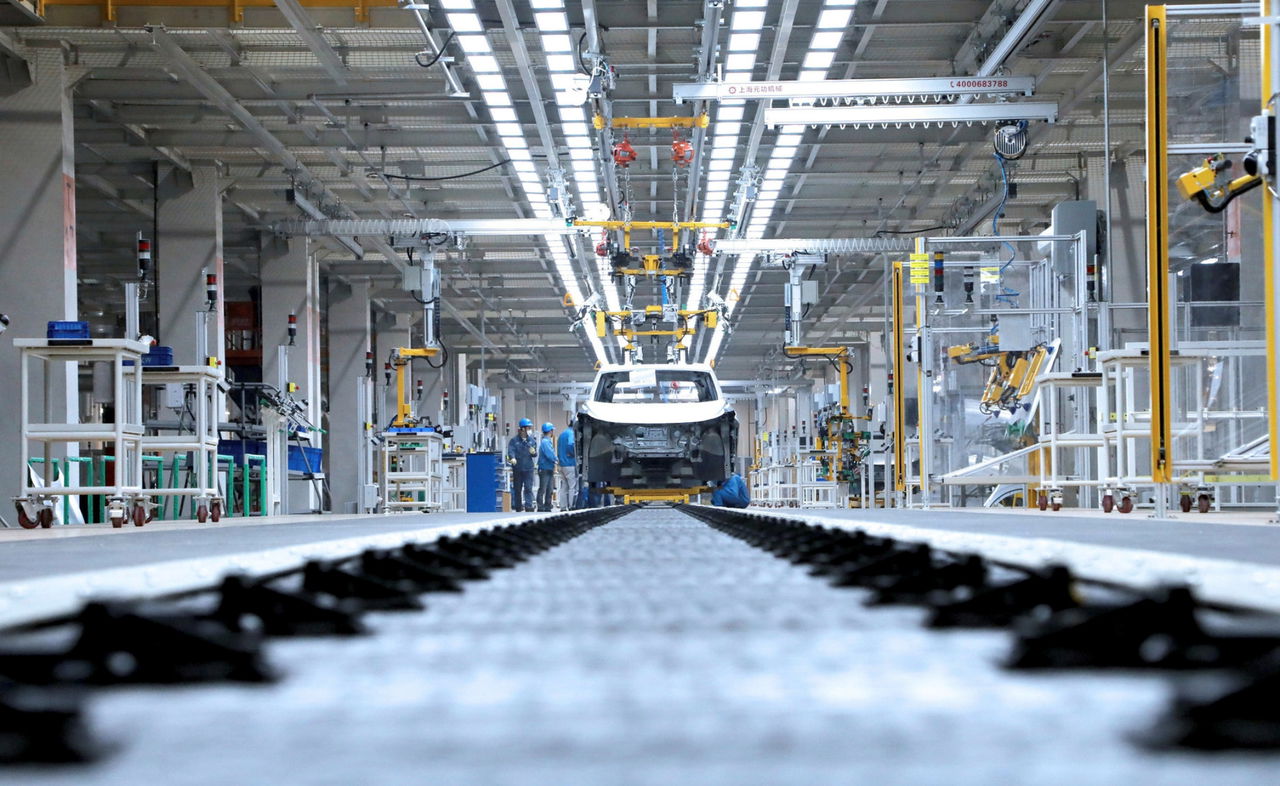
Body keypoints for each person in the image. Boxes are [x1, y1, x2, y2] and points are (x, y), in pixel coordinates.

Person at [506, 418, 537, 512]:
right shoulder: (514, 441)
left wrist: (534, 452)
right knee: (517, 489)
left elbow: (535, 454)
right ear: (522, 429)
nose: (530, 430)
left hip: (528, 468)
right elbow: (511, 450)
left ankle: (528, 506)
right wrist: (513, 458)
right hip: (518, 468)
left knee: (528, 488)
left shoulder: (532, 440)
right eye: (528, 428)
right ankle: (518, 507)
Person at [556, 418, 577, 510]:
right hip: (570, 464)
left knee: (564, 486)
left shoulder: (562, 434)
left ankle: (563, 507)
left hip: (562, 464)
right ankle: (572, 506)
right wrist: (574, 455)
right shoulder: (571, 433)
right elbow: (571, 445)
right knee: (572, 487)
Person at [536, 422, 557, 512]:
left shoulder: (547, 441)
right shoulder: (545, 442)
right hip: (544, 468)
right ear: (550, 431)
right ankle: (540, 506)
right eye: (552, 430)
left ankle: (548, 505)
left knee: (549, 488)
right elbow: (550, 454)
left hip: (548, 468)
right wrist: (557, 459)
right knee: (543, 488)